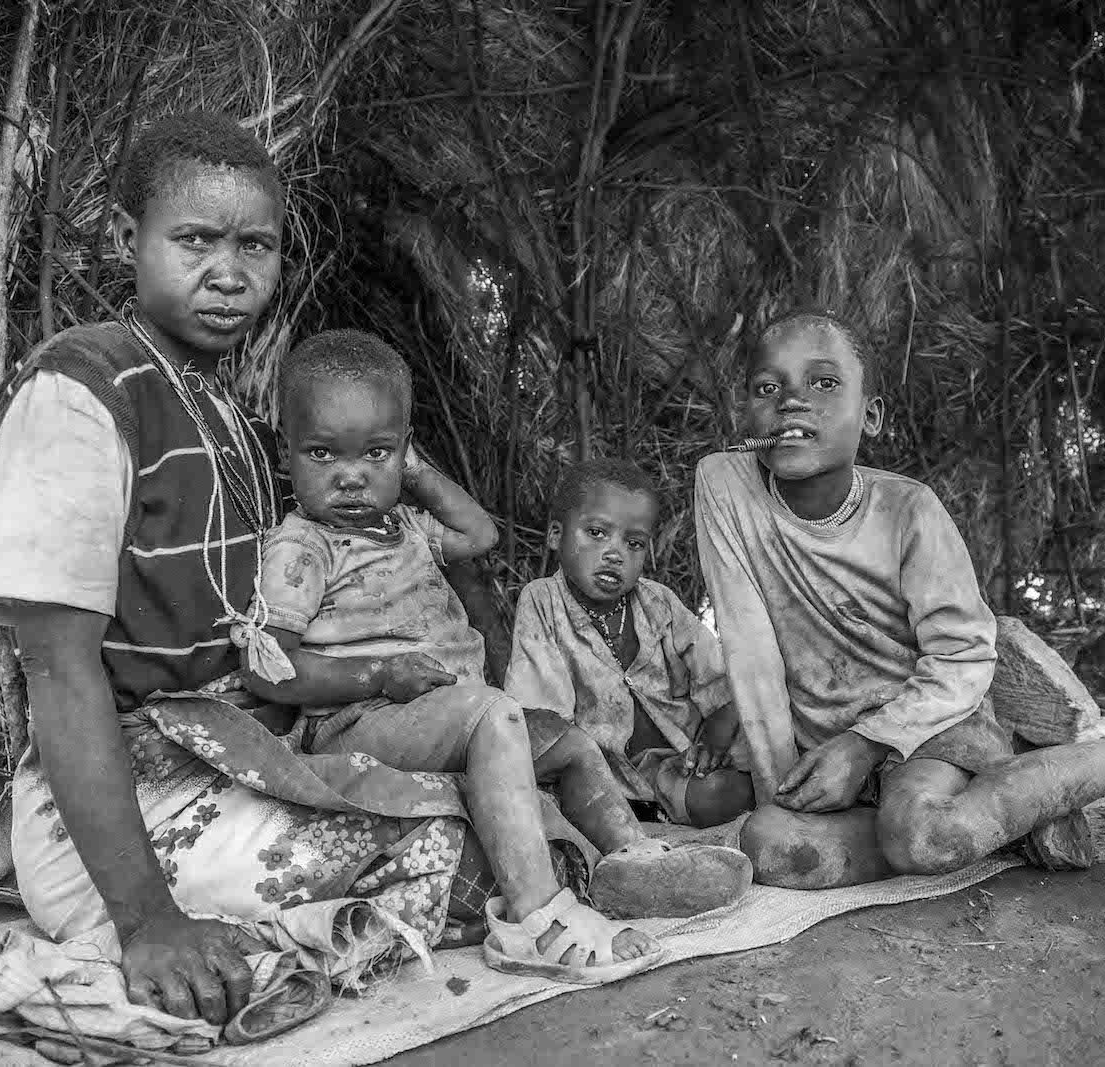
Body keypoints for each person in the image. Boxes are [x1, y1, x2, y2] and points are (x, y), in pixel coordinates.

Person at [0, 113, 648, 1039]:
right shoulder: (81, 391)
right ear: (128, 240)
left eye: (257, 245)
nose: (229, 271)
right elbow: (57, 668)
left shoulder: (246, 427)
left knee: (511, 790)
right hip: (127, 807)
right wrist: (147, 921)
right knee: (476, 848)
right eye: (195, 240)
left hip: (239, 755)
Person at [693, 309, 1105, 889]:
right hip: (824, 746)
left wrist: (868, 746)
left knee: (920, 840)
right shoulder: (724, 485)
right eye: (767, 388)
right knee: (770, 844)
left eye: (824, 384)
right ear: (747, 415)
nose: (792, 400)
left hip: (926, 725)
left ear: (872, 416)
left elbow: (963, 658)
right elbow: (750, 650)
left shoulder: (909, 512)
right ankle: (1013, 813)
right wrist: (780, 786)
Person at [239, 330, 752, 925]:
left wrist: (413, 472)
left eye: (375, 454)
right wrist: (377, 672)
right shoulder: (302, 549)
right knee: (495, 715)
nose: (351, 477)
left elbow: (481, 535)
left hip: (450, 714)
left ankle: (633, 858)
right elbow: (266, 668)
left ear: (404, 454)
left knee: (571, 746)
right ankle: (538, 916)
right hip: (360, 719)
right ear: (286, 452)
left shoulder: (407, 527)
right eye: (323, 454)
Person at [505, 459, 755, 829]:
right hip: (599, 778)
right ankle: (632, 819)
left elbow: (721, 684)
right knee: (548, 801)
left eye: (633, 543)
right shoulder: (542, 602)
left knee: (729, 781)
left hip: (680, 766)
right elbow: (545, 716)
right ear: (556, 535)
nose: (615, 553)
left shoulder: (659, 603)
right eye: (596, 533)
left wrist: (712, 744)